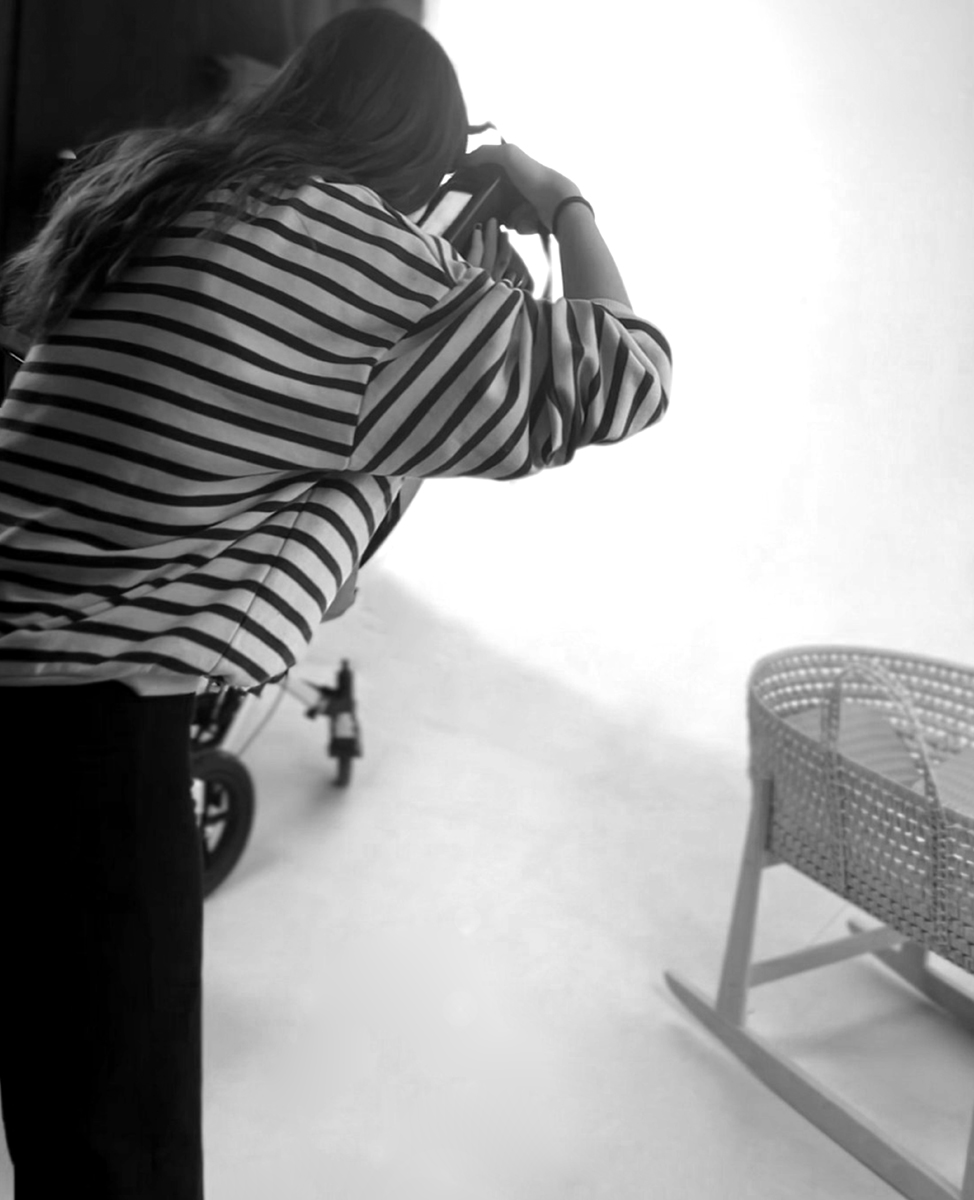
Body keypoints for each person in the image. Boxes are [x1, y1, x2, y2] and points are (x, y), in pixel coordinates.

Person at [0, 7, 671, 1197]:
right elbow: (624, 373)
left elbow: (199, 435)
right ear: (422, 147)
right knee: (113, 1160)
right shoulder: (369, 272)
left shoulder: (157, 189)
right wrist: (564, 201)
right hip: (84, 737)